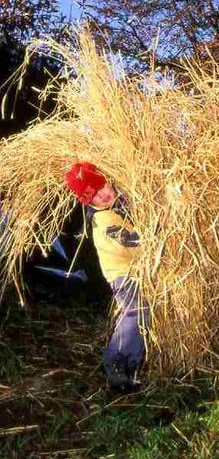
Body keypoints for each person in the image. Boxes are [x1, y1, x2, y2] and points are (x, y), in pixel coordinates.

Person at [65, 161, 146, 392]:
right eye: (94, 196)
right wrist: (155, 230)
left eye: (102, 188)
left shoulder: (114, 206)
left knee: (140, 315)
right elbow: (132, 241)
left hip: (130, 272)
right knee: (134, 312)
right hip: (122, 275)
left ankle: (129, 367)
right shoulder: (104, 221)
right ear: (88, 202)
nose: (103, 195)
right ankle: (114, 362)